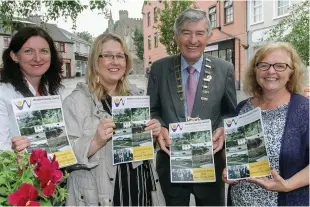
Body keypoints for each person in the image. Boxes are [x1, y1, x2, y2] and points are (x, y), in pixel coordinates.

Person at [147, 7, 237, 206]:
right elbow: (152, 110)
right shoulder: (159, 69)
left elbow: (230, 111)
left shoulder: (225, 69)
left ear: (209, 36)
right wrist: (160, 126)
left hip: (210, 165)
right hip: (170, 163)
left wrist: (223, 127)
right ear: (177, 35)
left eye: (199, 33)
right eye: (186, 33)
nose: (193, 40)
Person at [63, 33, 165, 206]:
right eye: (108, 56)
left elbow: (141, 148)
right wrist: (95, 141)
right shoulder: (76, 101)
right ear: (96, 60)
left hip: (140, 189)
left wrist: (152, 134)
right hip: (103, 196)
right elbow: (62, 157)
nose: (115, 62)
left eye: (120, 56)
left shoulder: (135, 96)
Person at [222, 42, 309, 206]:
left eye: (280, 66)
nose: (271, 71)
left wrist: (288, 185)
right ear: (255, 70)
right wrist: (230, 169)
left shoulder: (305, 111)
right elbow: (234, 150)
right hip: (240, 201)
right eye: (264, 65)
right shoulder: (243, 108)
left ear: (292, 72)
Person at [0, 26, 63, 151]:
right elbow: (2, 148)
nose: (38, 58)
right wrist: (13, 152)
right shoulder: (3, 93)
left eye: (44, 51)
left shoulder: (54, 91)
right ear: (14, 56)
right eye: (29, 51)